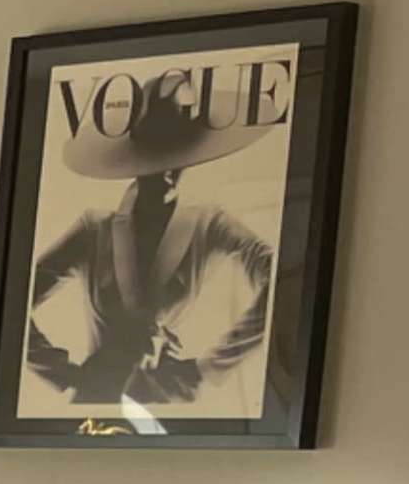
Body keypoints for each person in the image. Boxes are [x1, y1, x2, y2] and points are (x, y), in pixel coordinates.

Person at [22, 70, 277, 425]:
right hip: (95, 413)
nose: (167, 171)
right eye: (155, 159)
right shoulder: (94, 229)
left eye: (176, 156)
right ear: (134, 157)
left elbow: (287, 281)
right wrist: (63, 374)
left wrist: (209, 368)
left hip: (174, 414)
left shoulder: (209, 223)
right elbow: (12, 303)